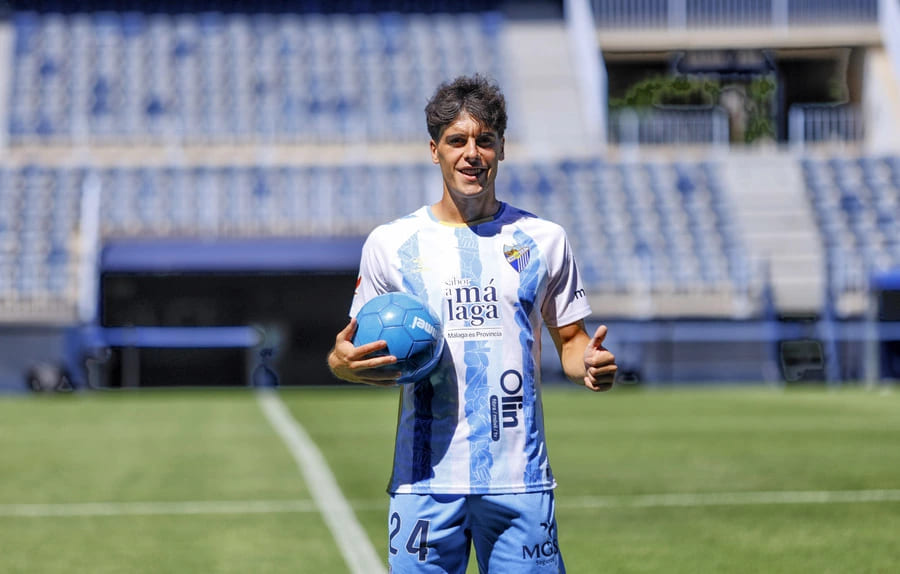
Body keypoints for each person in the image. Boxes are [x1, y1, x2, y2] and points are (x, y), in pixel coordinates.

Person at [327, 74, 616, 573]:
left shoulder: (543, 239)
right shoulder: (390, 244)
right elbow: (351, 353)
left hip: (519, 479)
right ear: (434, 150)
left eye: (485, 140)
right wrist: (342, 363)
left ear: (501, 148)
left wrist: (588, 364)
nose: (471, 154)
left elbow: (572, 341)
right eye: (457, 141)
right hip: (424, 480)